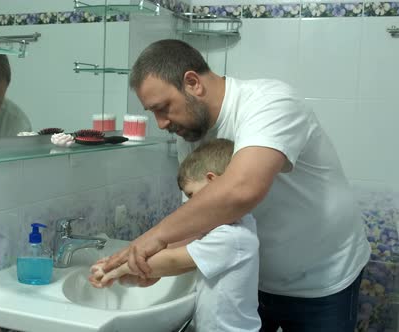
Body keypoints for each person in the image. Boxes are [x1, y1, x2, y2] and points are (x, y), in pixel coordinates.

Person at [102, 39, 370, 331]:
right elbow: (199, 217)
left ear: (193, 82)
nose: (161, 123)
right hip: (252, 279)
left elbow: (241, 189)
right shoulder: (191, 134)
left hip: (322, 279)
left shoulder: (269, 102)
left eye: (163, 108)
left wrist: (153, 238)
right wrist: (150, 263)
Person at [91, 139, 261, 332]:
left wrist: (115, 268)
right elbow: (184, 265)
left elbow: (173, 260)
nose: (190, 205)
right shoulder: (231, 227)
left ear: (213, 182)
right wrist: (141, 275)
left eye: (192, 195)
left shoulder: (232, 236)